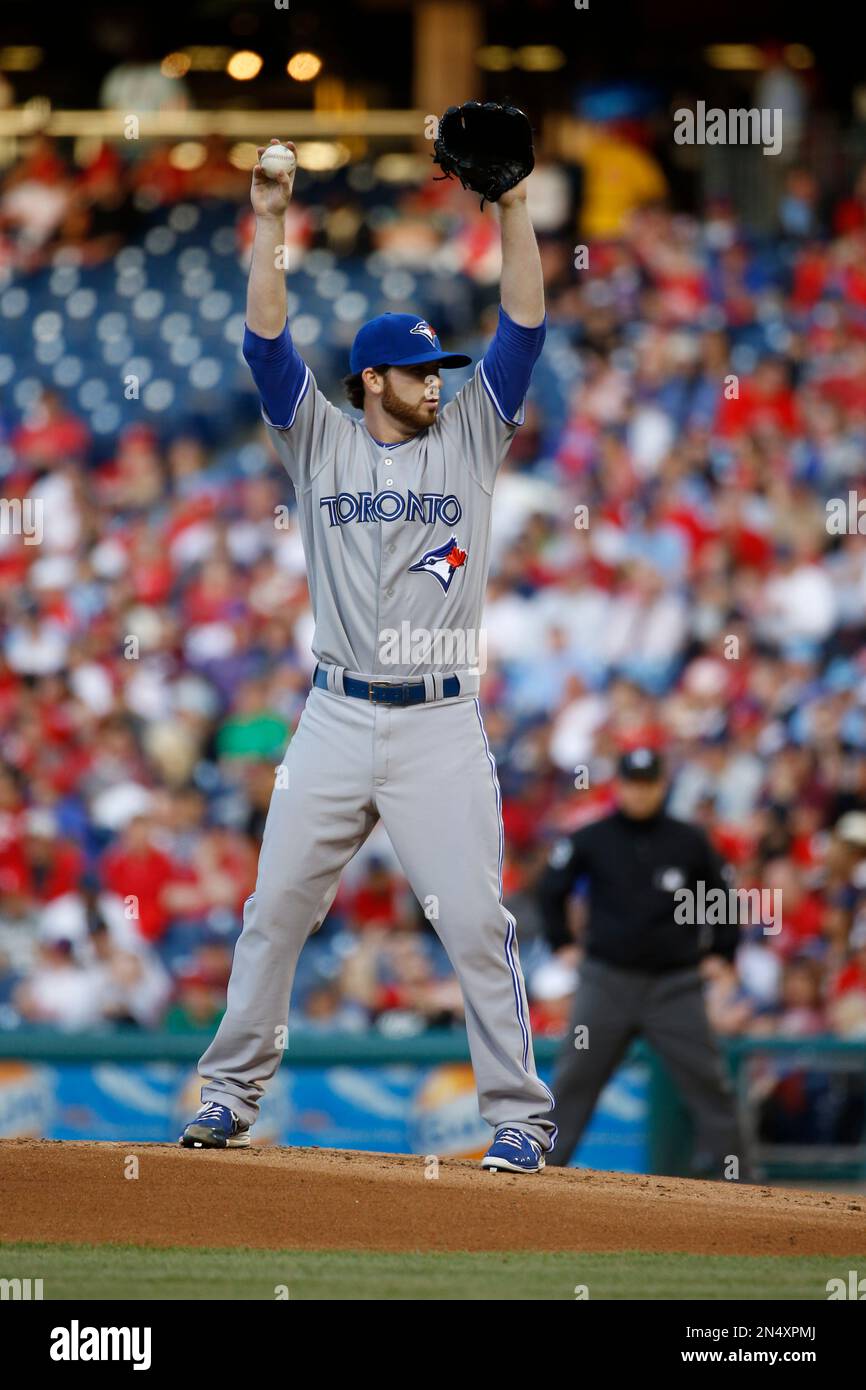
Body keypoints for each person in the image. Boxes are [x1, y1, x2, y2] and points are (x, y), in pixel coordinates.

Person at [179, 138, 556, 1172]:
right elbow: (264, 342)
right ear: (372, 378)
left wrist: (512, 206)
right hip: (336, 713)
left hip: (438, 720)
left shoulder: (471, 434)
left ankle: (518, 1118)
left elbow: (524, 319)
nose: (440, 382)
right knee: (272, 914)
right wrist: (267, 221)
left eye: (442, 367)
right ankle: (225, 1096)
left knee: (476, 923)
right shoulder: (320, 437)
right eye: (421, 371)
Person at [536, 747, 751, 1180]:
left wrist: (723, 954)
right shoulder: (591, 836)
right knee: (574, 1080)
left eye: (648, 783)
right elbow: (549, 888)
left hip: (675, 986)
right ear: (620, 785)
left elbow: (723, 896)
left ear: (661, 785)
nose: (640, 792)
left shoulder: (688, 839)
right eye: (632, 783)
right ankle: (539, 1170)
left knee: (709, 1085)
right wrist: (562, 942)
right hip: (606, 982)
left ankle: (746, 1181)